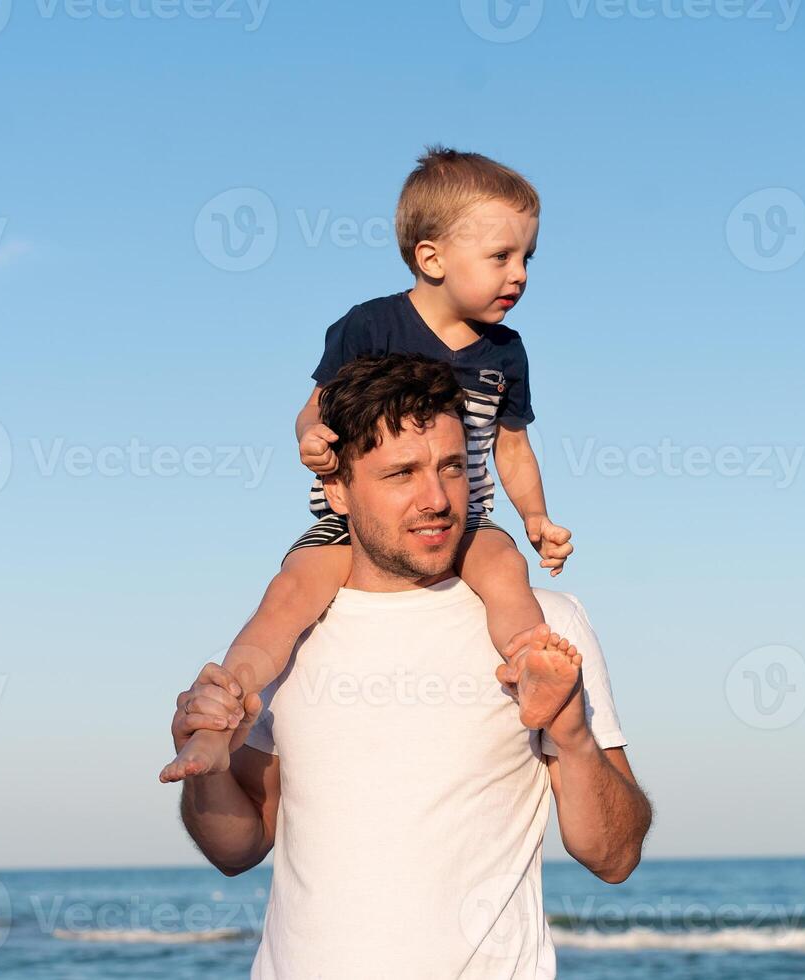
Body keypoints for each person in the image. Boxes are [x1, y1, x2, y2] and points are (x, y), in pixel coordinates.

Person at [170, 353, 652, 978]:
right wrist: (204, 774)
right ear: (337, 489)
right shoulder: (291, 637)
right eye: (402, 474)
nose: (437, 499)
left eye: (451, 468)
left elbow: (614, 857)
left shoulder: (542, 628)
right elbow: (237, 848)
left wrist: (574, 737)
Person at [161, 146, 574, 783]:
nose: (519, 275)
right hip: (352, 526)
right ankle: (220, 709)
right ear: (431, 258)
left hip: (464, 525)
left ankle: (530, 670)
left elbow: (511, 445)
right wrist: (311, 437)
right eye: (501, 257)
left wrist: (538, 517)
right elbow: (316, 404)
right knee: (290, 595)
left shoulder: (506, 351)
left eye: (527, 258)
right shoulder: (371, 326)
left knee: (505, 568)